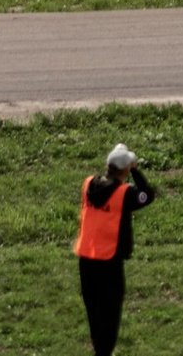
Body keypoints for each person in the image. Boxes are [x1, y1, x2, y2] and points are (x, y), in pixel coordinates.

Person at [74, 140, 157, 353]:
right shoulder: (125, 194)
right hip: (109, 262)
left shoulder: (88, 184)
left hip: (86, 258)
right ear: (125, 170)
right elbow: (147, 194)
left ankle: (99, 351)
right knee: (110, 315)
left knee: (94, 313)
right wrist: (136, 170)